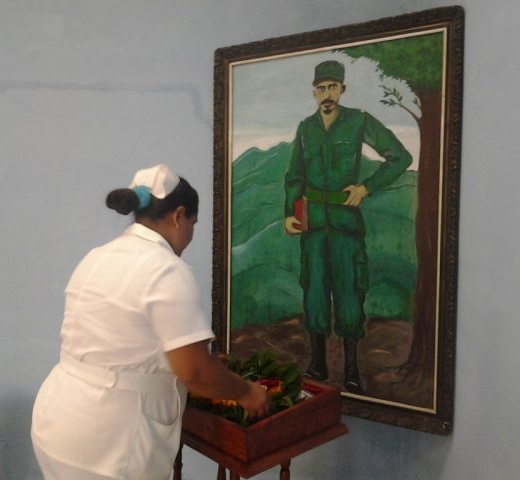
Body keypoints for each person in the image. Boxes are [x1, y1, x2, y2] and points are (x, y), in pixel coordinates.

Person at [31, 164, 268, 480]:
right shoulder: (166, 269)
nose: (190, 235)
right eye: (192, 224)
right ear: (178, 215)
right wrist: (247, 392)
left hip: (57, 423)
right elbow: (194, 372)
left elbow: (127, 341)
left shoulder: (98, 256)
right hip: (110, 445)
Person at [284, 60, 412, 394]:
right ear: (314, 92)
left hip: (344, 224)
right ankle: (318, 366)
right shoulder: (305, 128)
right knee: (313, 291)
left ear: (342, 89)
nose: (326, 94)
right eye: (320, 88)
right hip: (312, 226)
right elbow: (295, 174)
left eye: (332, 87)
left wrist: (366, 187)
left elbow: (399, 157)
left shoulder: (359, 122)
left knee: (349, 294)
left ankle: (352, 370)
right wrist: (289, 213)